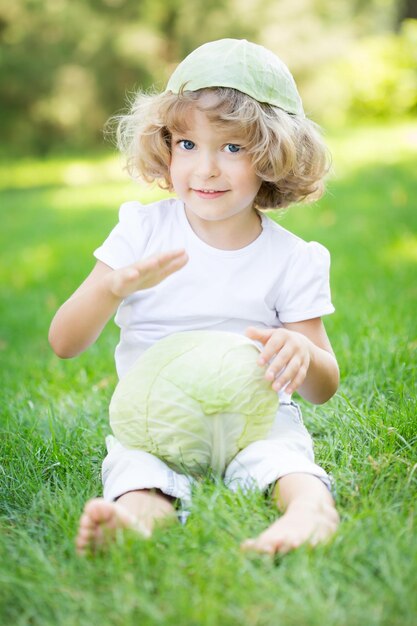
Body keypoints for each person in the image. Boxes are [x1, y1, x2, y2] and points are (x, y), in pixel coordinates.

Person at [49, 38, 340, 556]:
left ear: (275, 155)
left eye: (232, 148)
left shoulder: (293, 259)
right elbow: (64, 343)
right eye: (187, 144)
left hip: (256, 416)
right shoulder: (141, 232)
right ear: (164, 146)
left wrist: (304, 354)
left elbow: (323, 386)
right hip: (155, 419)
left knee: (285, 459)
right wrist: (110, 290)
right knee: (138, 470)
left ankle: (309, 510)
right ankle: (135, 520)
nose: (205, 168)